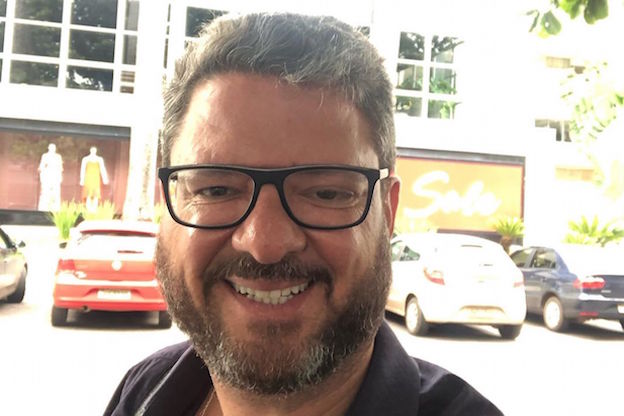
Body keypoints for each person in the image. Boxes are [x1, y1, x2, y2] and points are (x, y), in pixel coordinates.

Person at [104, 12, 503, 416]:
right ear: (168, 204)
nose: (265, 244)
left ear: (388, 210)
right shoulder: (142, 392)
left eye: (326, 193)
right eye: (215, 190)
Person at [80, 146, 109, 212]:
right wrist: (82, 179)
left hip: (96, 178)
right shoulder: (85, 159)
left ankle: (94, 209)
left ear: (96, 151)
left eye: (94, 150)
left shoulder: (99, 159)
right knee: (88, 193)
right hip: (88, 178)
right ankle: (88, 208)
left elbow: (102, 169)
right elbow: (82, 169)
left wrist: (105, 178)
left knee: (96, 193)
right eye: (92, 150)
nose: (93, 152)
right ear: (90, 151)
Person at [38, 143, 63, 212]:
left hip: (55, 175)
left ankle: (55, 208)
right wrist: (42, 175)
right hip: (47, 175)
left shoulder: (58, 156)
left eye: (54, 148)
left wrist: (60, 176)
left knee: (55, 192)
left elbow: (60, 167)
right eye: (51, 147)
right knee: (45, 192)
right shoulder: (45, 156)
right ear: (48, 148)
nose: (52, 149)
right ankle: (44, 207)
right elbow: (41, 166)